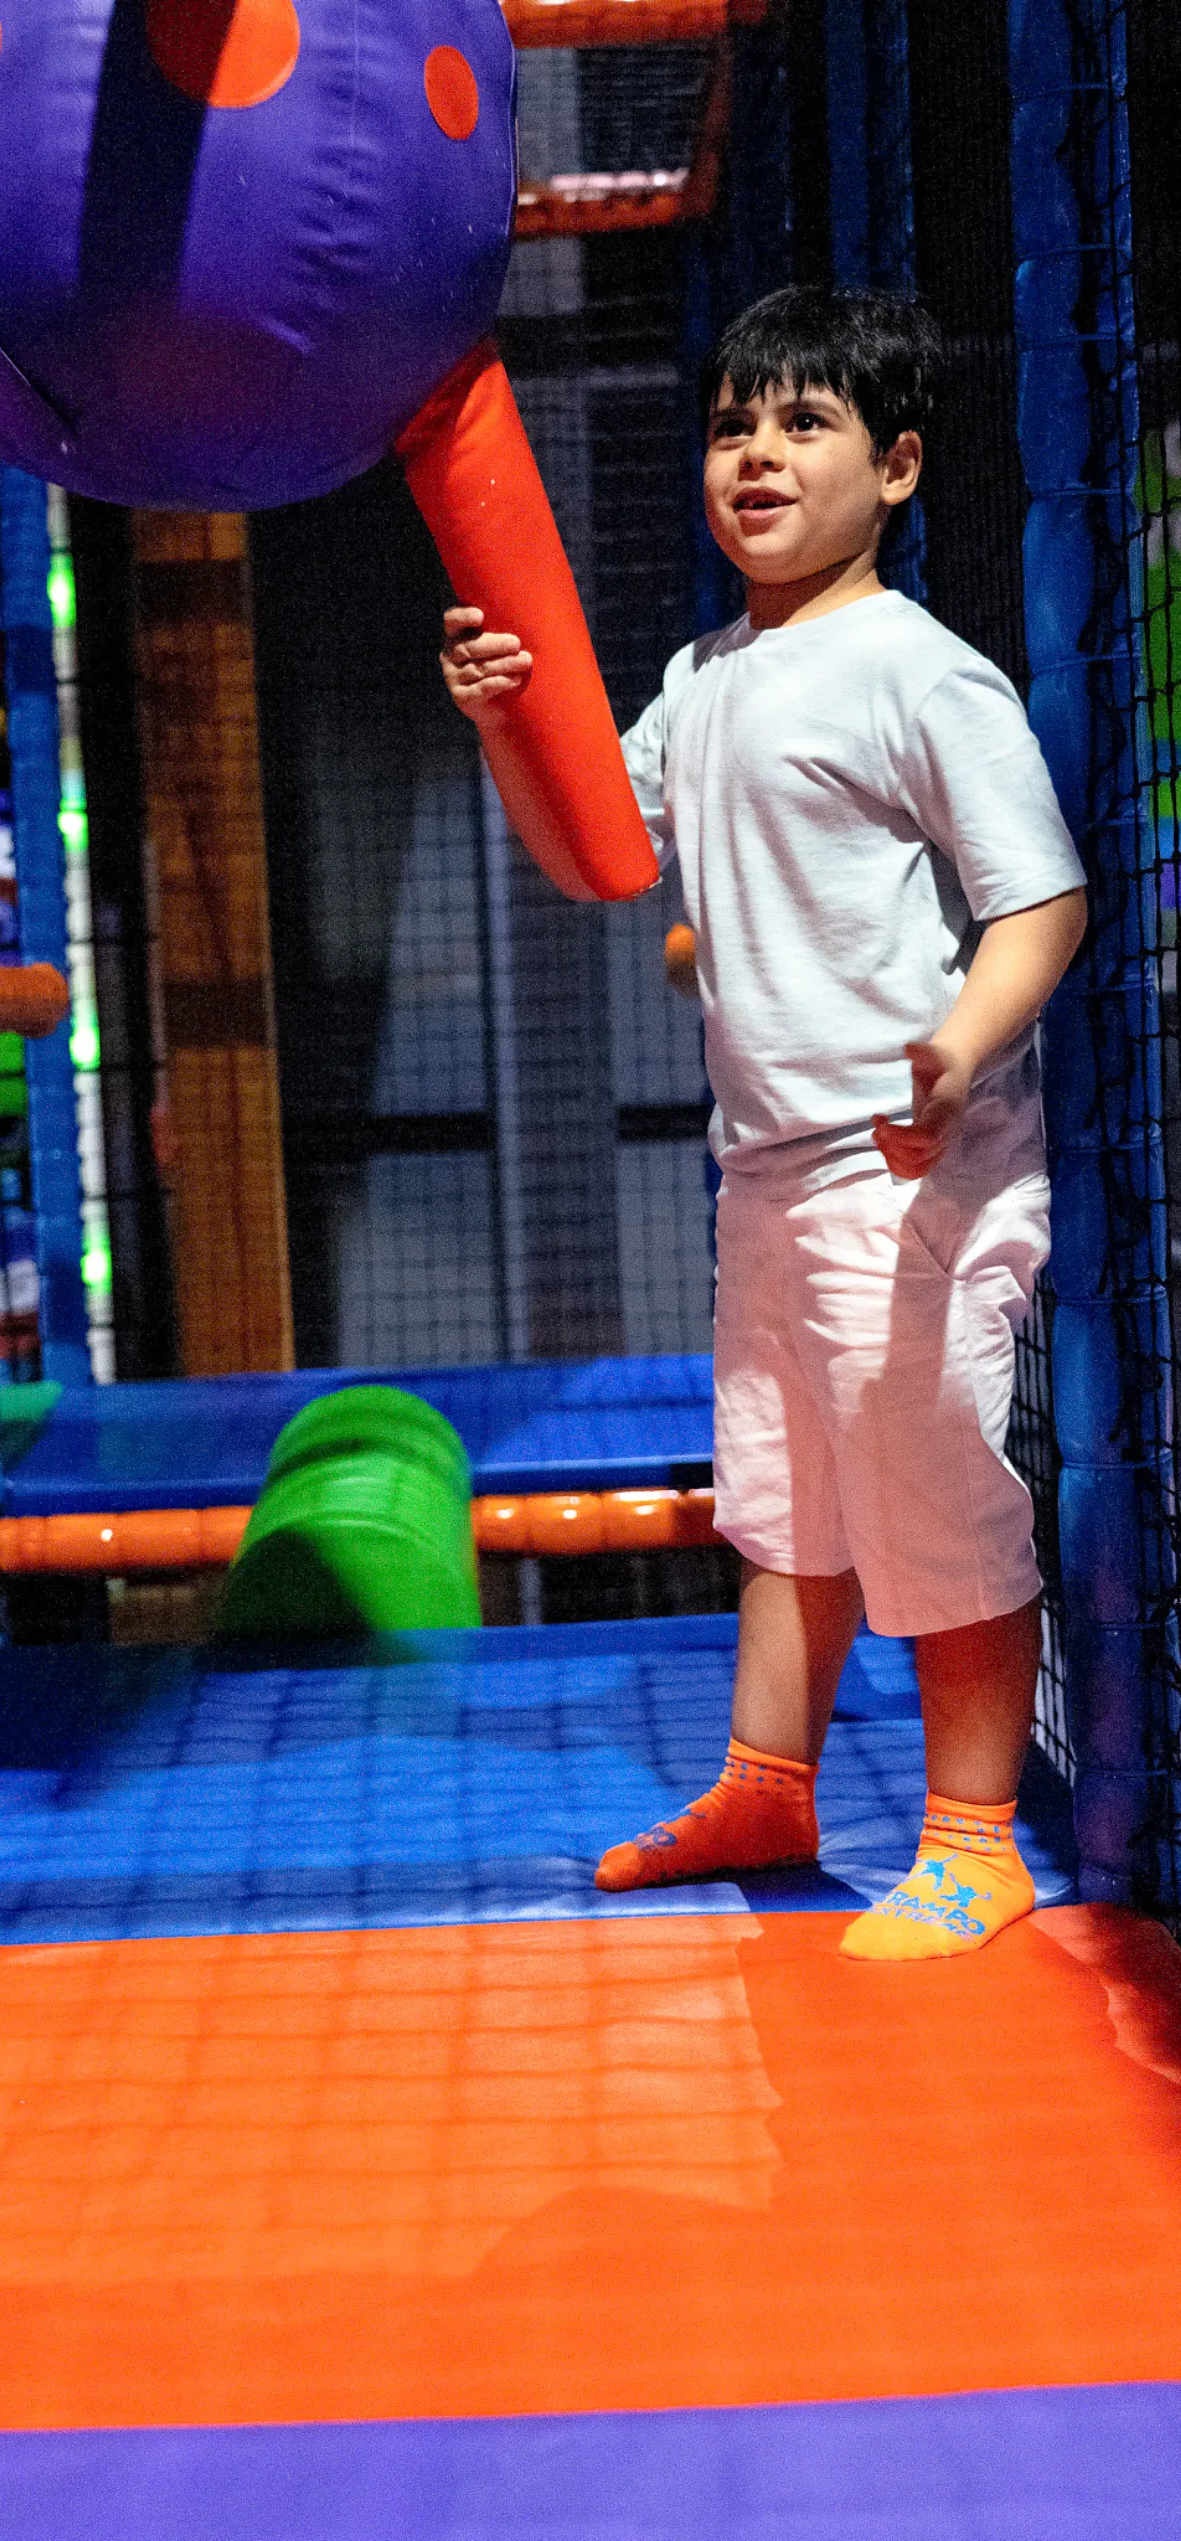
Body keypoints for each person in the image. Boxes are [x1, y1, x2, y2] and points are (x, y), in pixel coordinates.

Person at [442, 286, 1087, 1962]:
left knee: (933, 1487)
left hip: (911, 1163)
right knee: (787, 1498)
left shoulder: (922, 673)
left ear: (899, 468)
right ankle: (769, 1785)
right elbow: (604, 853)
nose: (756, 453)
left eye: (804, 424)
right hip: (769, 1171)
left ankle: (972, 1835)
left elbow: (1044, 904)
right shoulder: (706, 674)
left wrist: (954, 1048)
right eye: (734, 423)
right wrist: (513, 718)